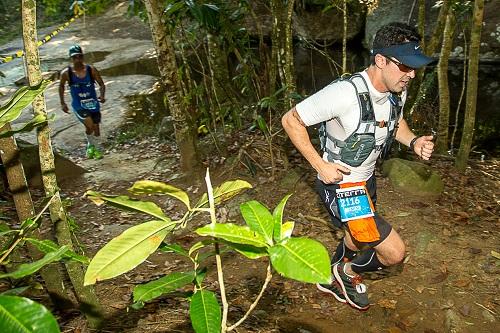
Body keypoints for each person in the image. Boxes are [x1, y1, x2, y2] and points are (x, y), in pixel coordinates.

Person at [281, 22, 435, 310]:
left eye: (414, 67)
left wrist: (412, 141)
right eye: (405, 66)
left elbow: (394, 121)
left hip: (366, 181)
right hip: (341, 186)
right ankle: (346, 272)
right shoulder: (344, 94)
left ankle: (329, 274)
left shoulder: (396, 89)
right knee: (394, 253)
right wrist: (320, 164)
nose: (412, 74)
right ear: (380, 60)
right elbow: (291, 120)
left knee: (356, 236)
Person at [59, 44, 106, 159]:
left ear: (82, 57)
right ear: (71, 58)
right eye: (75, 57)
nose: (77, 59)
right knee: (90, 125)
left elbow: (101, 84)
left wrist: (102, 95)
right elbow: (61, 87)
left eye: (79, 56)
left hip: (93, 104)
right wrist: (62, 103)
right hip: (79, 105)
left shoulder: (91, 70)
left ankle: (92, 146)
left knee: (95, 127)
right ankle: (95, 148)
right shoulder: (66, 73)